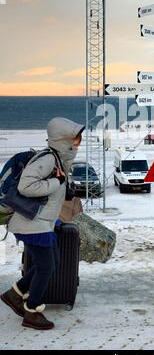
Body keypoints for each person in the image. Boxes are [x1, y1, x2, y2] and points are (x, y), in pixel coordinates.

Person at [0, 117, 84, 330]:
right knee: (47, 266)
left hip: (41, 223)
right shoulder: (47, 159)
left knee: (50, 262)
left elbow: (52, 194)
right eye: (74, 140)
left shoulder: (58, 159)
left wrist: (62, 186)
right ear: (61, 139)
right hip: (32, 223)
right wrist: (56, 182)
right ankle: (32, 311)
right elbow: (26, 186)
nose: (77, 144)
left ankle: (14, 294)